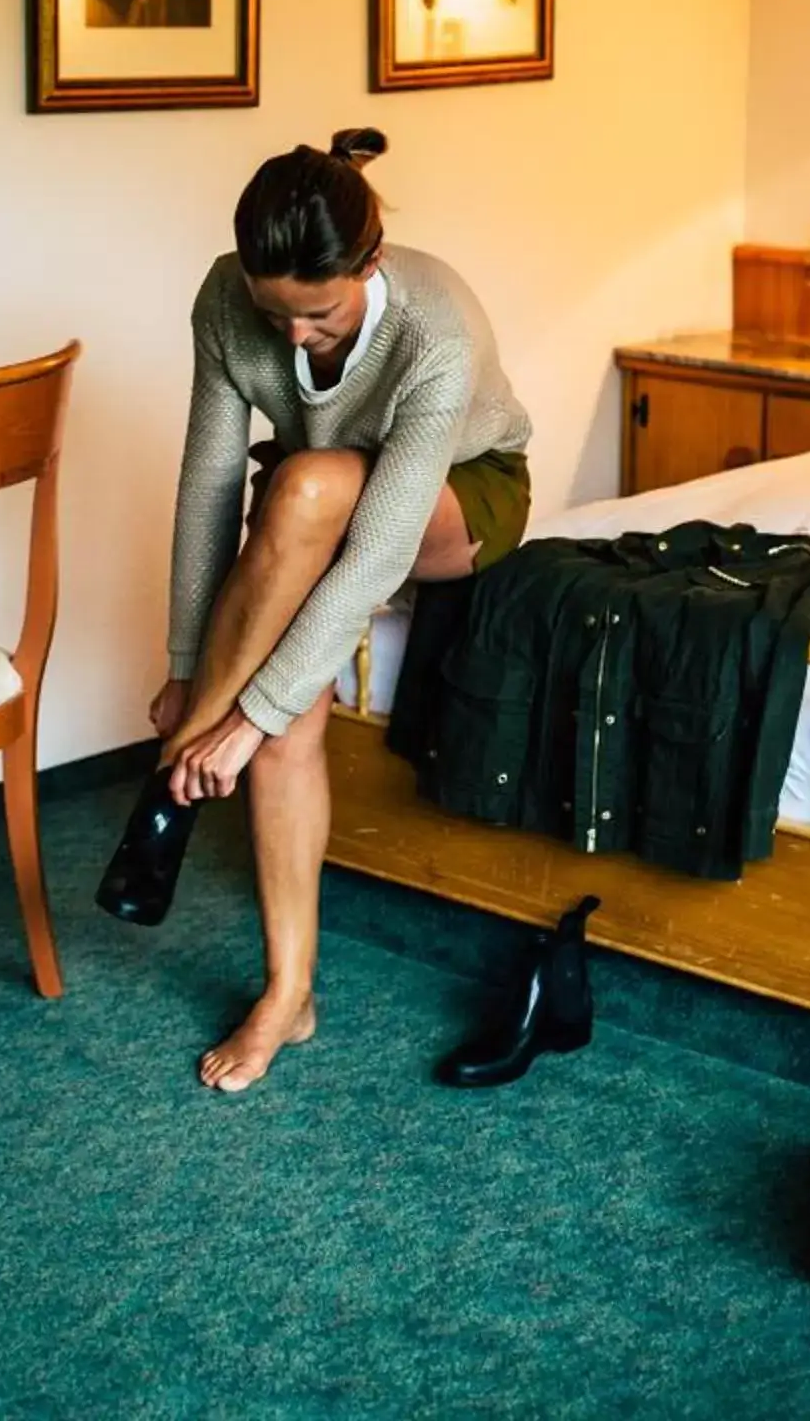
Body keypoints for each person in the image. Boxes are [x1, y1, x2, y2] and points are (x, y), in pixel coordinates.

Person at [156, 128, 531, 1090]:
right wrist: (187, 666)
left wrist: (241, 712)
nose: (288, 337)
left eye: (316, 317)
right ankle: (290, 993)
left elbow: (382, 552)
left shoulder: (433, 328)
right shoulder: (224, 298)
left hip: (456, 498)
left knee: (312, 486)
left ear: (368, 264)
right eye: (268, 310)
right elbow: (205, 489)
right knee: (287, 718)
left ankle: (167, 796)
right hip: (306, 501)